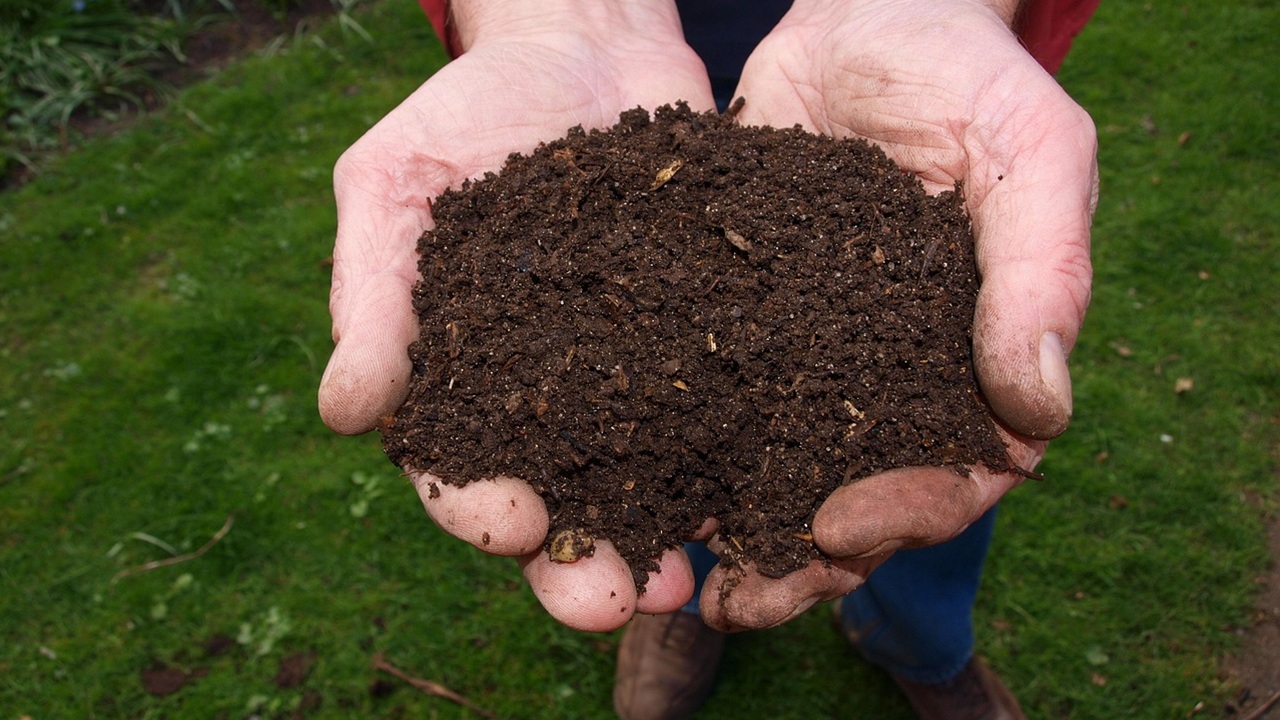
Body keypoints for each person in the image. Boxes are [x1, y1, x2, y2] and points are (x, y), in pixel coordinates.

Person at [319, 1, 1099, 718]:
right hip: (624, 44)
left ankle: (921, 646)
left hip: (869, 62)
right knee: (682, 485)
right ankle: (682, 608)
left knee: (931, 460)